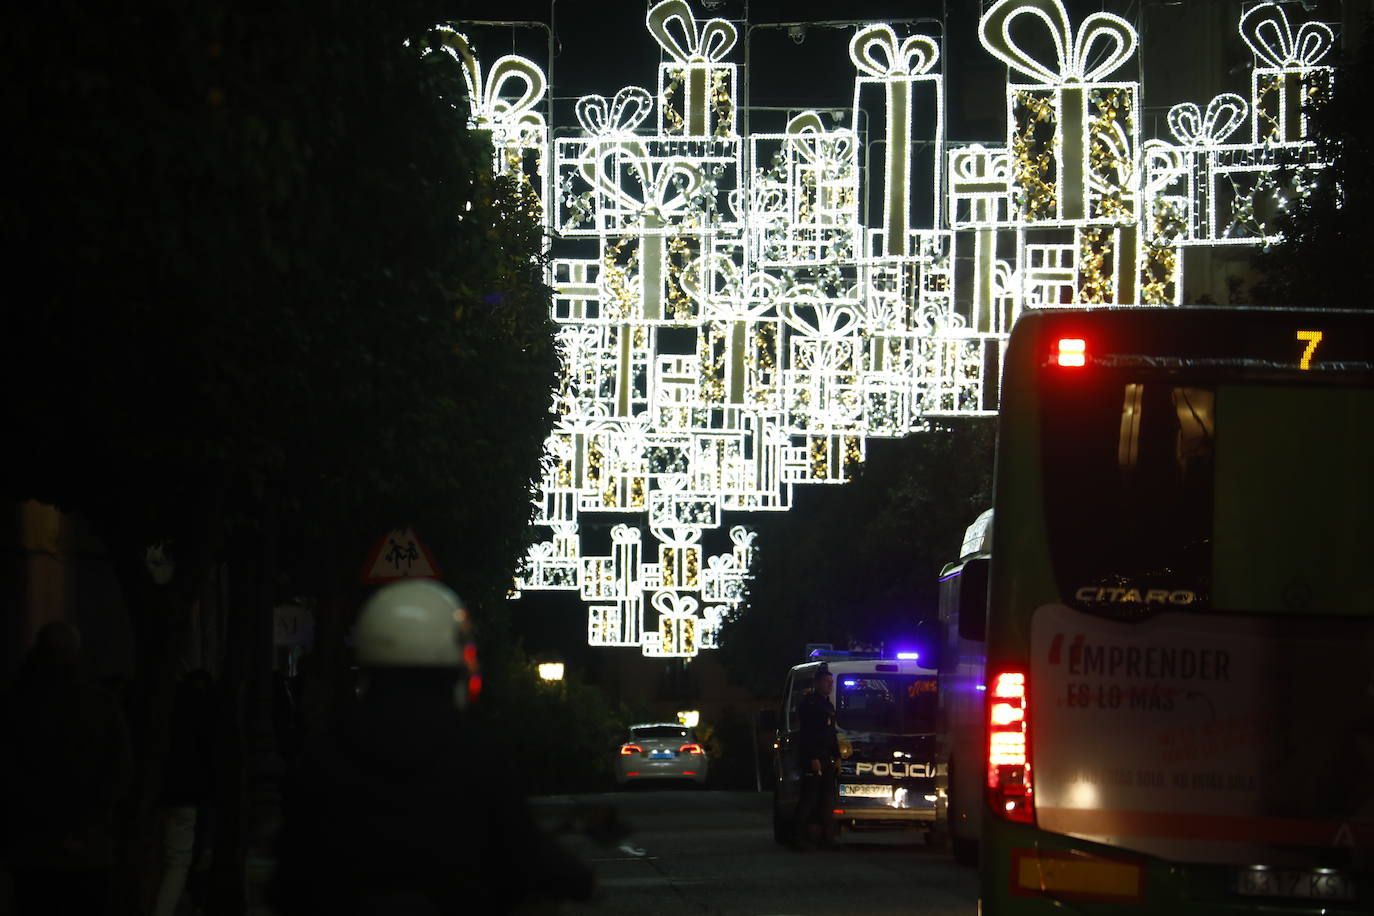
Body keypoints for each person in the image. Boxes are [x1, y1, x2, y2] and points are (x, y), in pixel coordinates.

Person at [269, 579, 596, 915]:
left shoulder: (324, 754)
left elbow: (287, 881)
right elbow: (522, 852)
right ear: (457, 661)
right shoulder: (477, 753)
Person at [1, 620, 133, 916]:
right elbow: (119, 772)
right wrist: (89, 823)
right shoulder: (100, 703)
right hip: (87, 846)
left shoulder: (15, 703)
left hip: (31, 844)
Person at [791, 664, 840, 850]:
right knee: (809, 799)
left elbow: (831, 733)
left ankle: (826, 838)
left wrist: (837, 757)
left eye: (831, 682)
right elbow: (808, 734)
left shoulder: (827, 704)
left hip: (827, 758)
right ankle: (797, 837)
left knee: (826, 799)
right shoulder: (809, 704)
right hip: (814, 758)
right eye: (827, 682)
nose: (830, 686)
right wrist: (812, 758)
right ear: (818, 683)